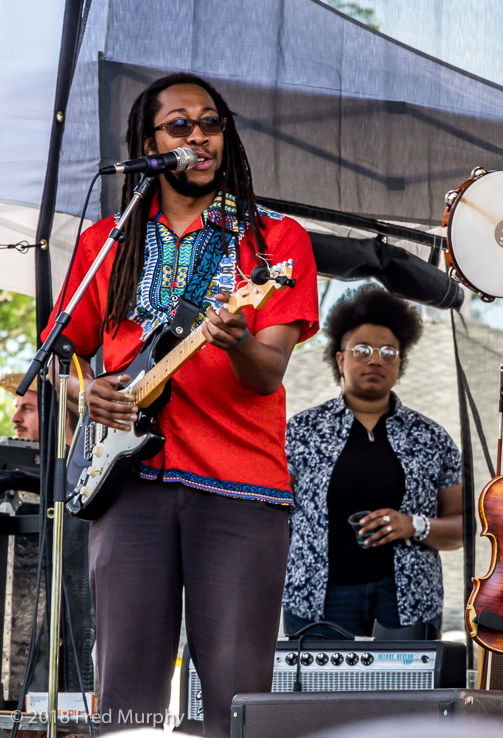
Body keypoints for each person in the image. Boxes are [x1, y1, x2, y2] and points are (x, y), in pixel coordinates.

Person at [43, 73, 319, 737]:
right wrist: (87, 390)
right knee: (127, 700)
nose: (199, 135)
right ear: (148, 144)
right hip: (128, 481)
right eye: (180, 125)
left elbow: (267, 373)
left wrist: (237, 341)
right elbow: (60, 353)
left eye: (211, 122)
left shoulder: (274, 242)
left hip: (240, 487)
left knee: (235, 696)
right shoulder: (108, 240)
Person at [283, 285, 463, 638]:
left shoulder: (431, 437)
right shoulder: (300, 431)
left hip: (408, 600)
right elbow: (273, 519)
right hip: (316, 599)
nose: (375, 359)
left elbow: (460, 529)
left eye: (388, 352)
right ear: (340, 359)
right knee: (321, 695)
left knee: (402, 694)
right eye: (362, 350)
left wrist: (414, 525)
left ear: (401, 364)